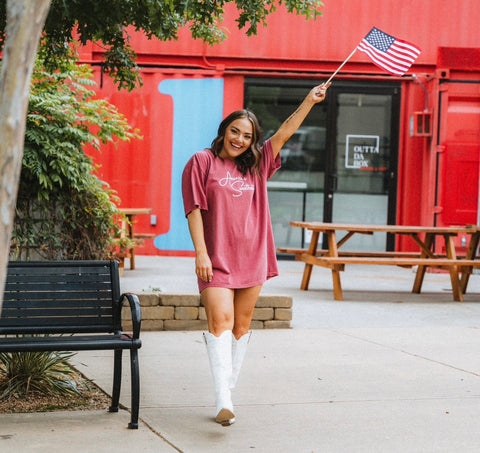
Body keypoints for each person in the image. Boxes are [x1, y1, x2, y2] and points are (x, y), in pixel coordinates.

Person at [181, 82, 330, 426]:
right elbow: (193, 210)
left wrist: (309, 100)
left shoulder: (258, 164)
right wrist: (200, 253)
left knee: (241, 326)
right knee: (221, 322)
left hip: (252, 256)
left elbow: (286, 132)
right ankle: (223, 399)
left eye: (247, 136)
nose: (239, 140)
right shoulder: (201, 162)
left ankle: (226, 396)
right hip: (215, 258)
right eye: (235, 131)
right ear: (223, 131)